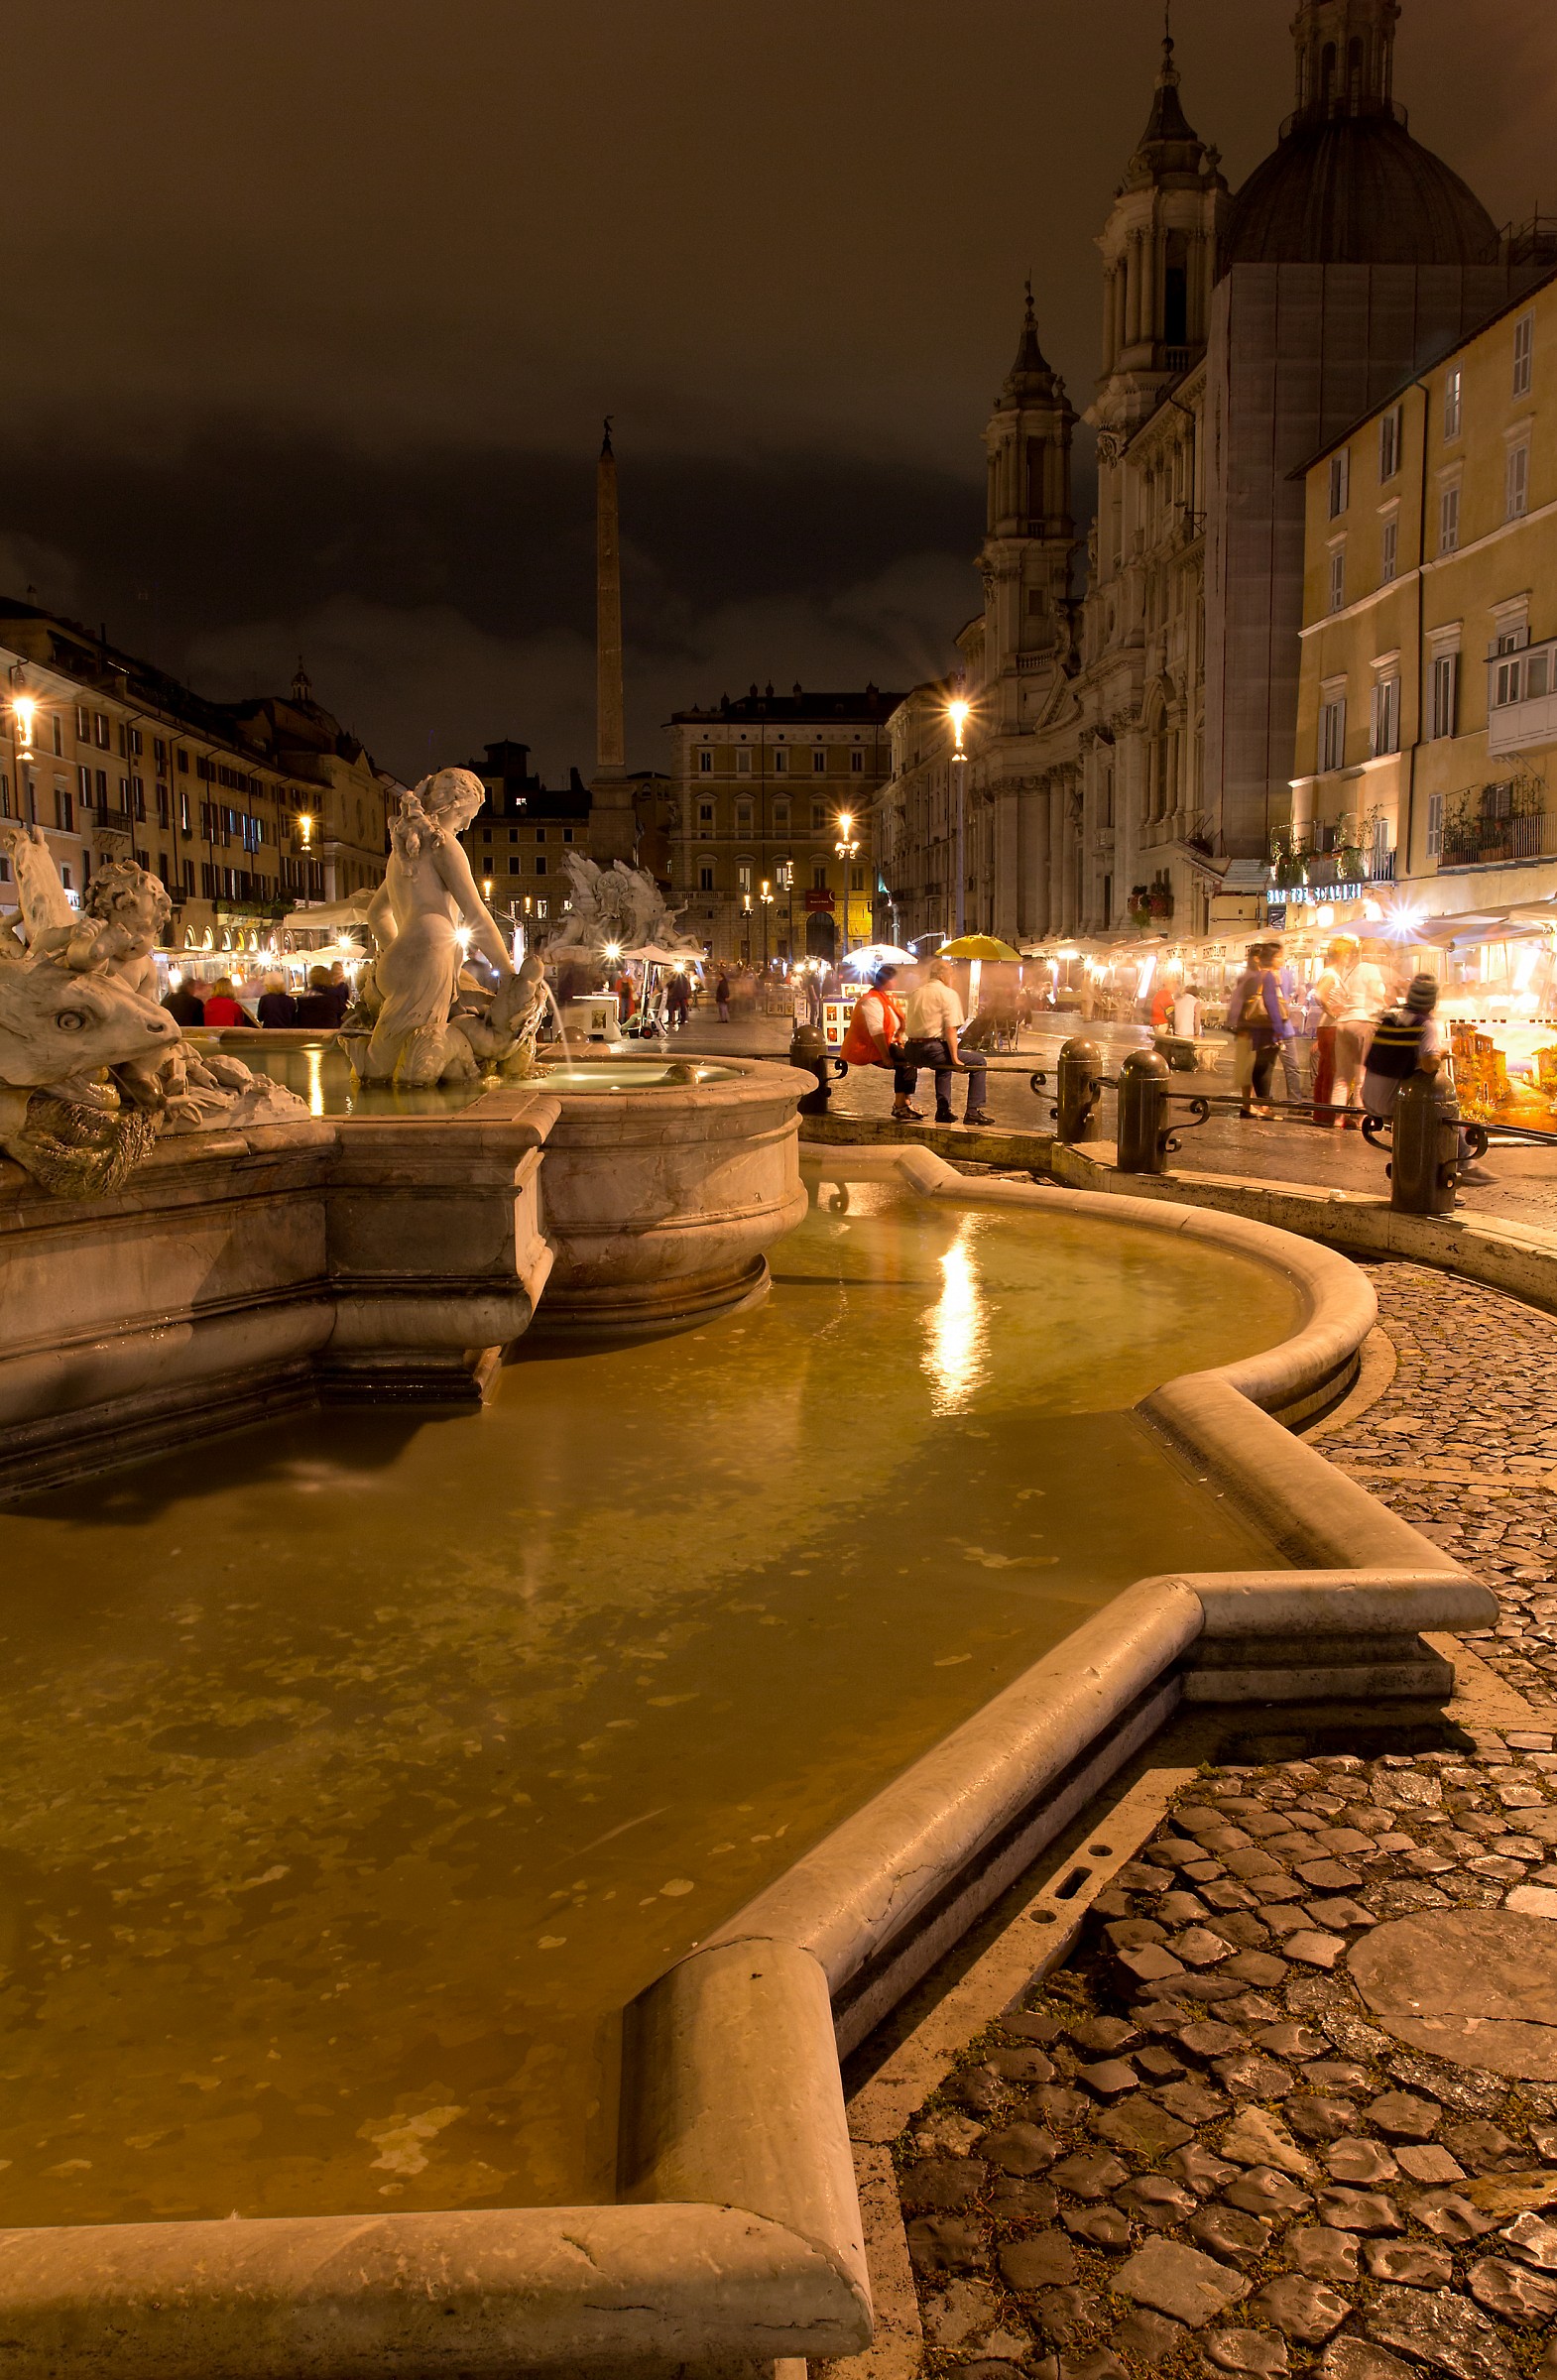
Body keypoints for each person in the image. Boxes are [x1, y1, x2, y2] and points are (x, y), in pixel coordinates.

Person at [1362, 972, 1495, 1186]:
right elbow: (1430, 1064)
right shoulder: (1425, 1024)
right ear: (1433, 1001)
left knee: (1429, 1117)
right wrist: (1442, 1053)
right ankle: (1464, 1167)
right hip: (1397, 1102)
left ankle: (1432, 1188)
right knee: (1447, 1111)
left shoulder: (1391, 1016)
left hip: (1369, 1098)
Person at [898, 956, 995, 1127]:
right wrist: (956, 1059)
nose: (953, 978)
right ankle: (973, 1111)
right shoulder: (948, 994)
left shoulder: (916, 992)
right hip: (931, 1049)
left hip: (911, 1050)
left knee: (944, 1064)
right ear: (943, 975)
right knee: (979, 1062)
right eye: (951, 974)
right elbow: (951, 1030)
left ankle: (943, 1110)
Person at [1321, 935, 1387, 1126]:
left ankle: (1338, 1119)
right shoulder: (1370, 969)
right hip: (1363, 1021)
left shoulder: (1348, 970)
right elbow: (1375, 993)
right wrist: (1386, 1007)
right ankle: (1362, 1119)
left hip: (1343, 1023)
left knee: (1342, 1075)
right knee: (1362, 1076)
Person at [839, 964, 916, 1118]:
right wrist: (885, 1055)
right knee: (908, 1060)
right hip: (869, 1046)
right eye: (893, 979)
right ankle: (901, 1104)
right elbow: (876, 1030)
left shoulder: (884, 997)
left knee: (909, 1060)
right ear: (887, 980)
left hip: (886, 1043)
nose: (896, 982)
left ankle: (905, 1102)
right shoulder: (872, 1000)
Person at [1227, 941, 1289, 1118]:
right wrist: (1279, 1029)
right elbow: (1271, 1004)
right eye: (1279, 956)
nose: (1282, 960)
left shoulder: (1255, 976)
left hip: (1256, 1028)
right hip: (1266, 1028)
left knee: (1259, 1067)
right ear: (1271, 958)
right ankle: (1264, 1106)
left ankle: (1258, 1105)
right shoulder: (1267, 976)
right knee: (1265, 1067)